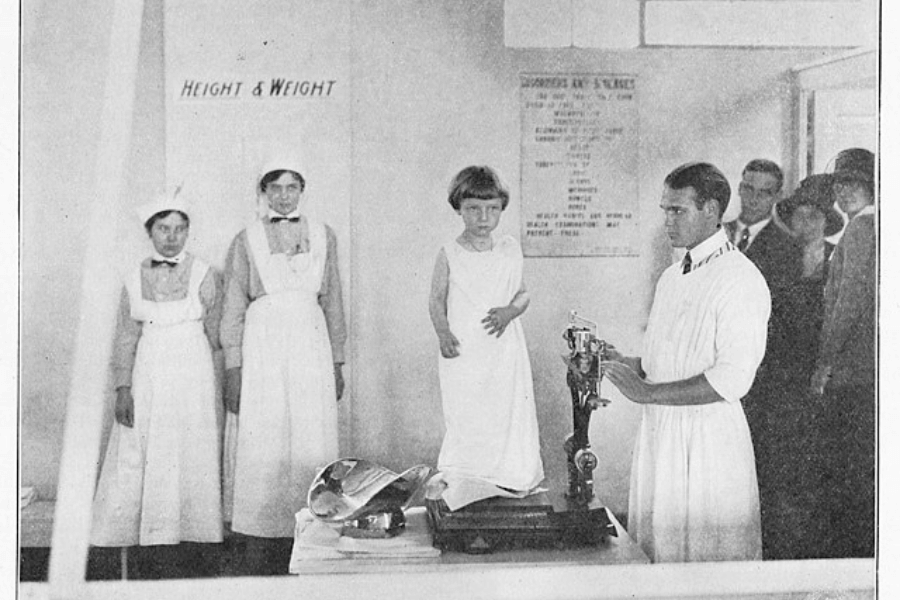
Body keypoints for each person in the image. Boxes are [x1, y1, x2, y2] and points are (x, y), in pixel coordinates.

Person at [602, 162, 770, 562]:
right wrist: (626, 363)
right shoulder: (673, 275)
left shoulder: (740, 278)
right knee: (661, 552)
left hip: (708, 439)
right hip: (662, 433)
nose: (667, 221)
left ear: (711, 210)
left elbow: (730, 380)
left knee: (704, 560)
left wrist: (646, 392)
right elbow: (672, 359)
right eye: (665, 210)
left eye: (678, 210)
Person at [220, 155, 347, 569]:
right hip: (264, 343)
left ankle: (313, 533)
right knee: (265, 432)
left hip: (311, 341)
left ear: (302, 191)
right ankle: (260, 538)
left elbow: (333, 303)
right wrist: (234, 365)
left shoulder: (325, 236)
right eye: (275, 187)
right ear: (264, 192)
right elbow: (234, 305)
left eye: (292, 187)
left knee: (311, 433)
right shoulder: (246, 239)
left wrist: (337, 361)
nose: (284, 196)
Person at [92, 192, 223, 573]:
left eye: (180, 229)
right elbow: (125, 337)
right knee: (142, 445)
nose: (172, 237)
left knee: (191, 444)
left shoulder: (204, 273)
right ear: (150, 232)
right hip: (149, 368)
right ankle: (148, 538)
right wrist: (122, 388)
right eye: (164, 229)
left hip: (192, 367)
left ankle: (193, 536)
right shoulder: (133, 277)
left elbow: (215, 331)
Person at [428, 166, 544, 504]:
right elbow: (435, 300)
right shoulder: (450, 252)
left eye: (492, 209)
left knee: (506, 410)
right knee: (467, 411)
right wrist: (443, 333)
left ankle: (509, 476)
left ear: (501, 209)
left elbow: (523, 293)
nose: (483, 217)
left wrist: (510, 312)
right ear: (459, 208)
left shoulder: (509, 249)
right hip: (464, 348)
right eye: (474, 209)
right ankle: (467, 476)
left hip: (503, 345)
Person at [756, 173, 844, 559]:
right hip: (779, 376)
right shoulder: (775, 257)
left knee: (817, 468)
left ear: (827, 221)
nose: (805, 223)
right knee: (779, 467)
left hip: (822, 377)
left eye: (815, 216)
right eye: (800, 215)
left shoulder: (839, 257)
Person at [725, 159, 802, 559]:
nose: (753, 198)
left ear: (776, 197)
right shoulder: (718, 236)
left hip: (764, 383)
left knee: (761, 476)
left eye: (764, 192)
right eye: (748, 188)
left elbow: (781, 324)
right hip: (720, 376)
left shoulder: (788, 247)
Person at [810, 148, 876, 558]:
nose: (843, 190)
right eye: (839, 182)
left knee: (846, 470)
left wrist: (824, 363)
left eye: (853, 182)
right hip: (863, 370)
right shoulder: (867, 226)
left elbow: (848, 302)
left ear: (871, 186)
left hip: (851, 370)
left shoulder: (862, 228)